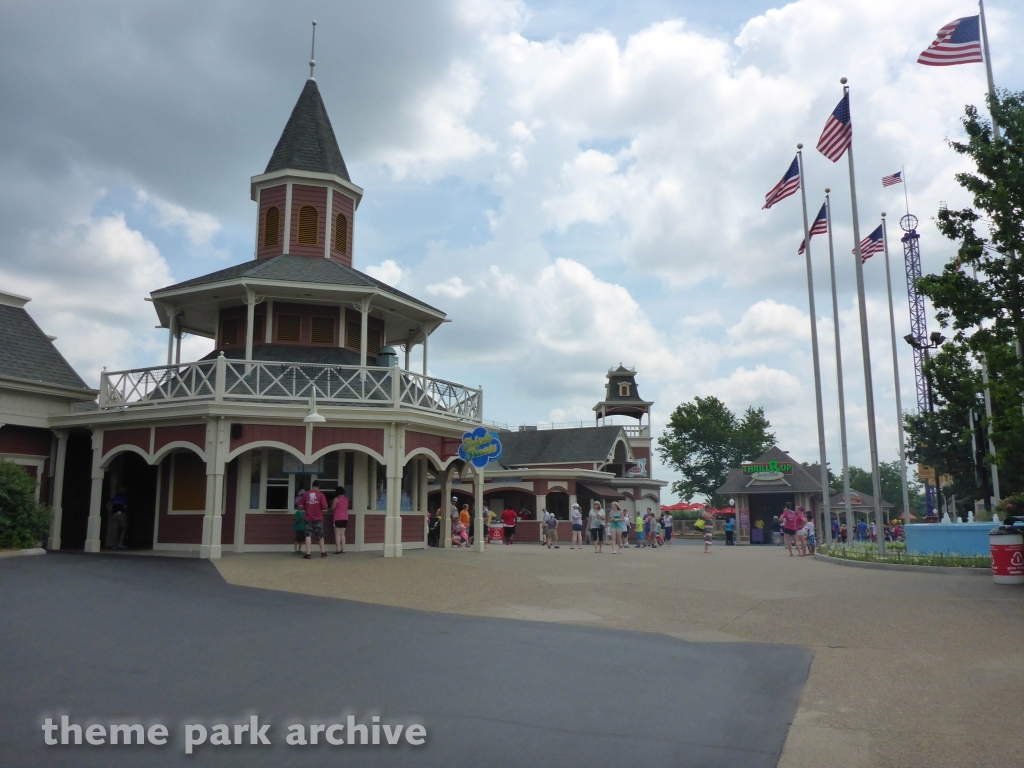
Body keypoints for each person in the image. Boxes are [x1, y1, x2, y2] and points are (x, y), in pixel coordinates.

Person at [300, 481, 330, 559]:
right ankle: (323, 552)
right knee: (320, 535)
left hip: (308, 518)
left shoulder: (305, 494)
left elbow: (300, 506)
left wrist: (306, 507)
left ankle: (308, 553)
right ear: (319, 487)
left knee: (308, 535)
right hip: (318, 518)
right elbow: (325, 506)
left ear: (312, 486)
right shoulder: (321, 495)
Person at [332, 488, 349, 554]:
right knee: (342, 534)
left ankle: (338, 549)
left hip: (337, 517)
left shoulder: (336, 499)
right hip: (345, 517)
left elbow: (333, 508)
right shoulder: (346, 499)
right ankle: (343, 549)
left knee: (337, 534)